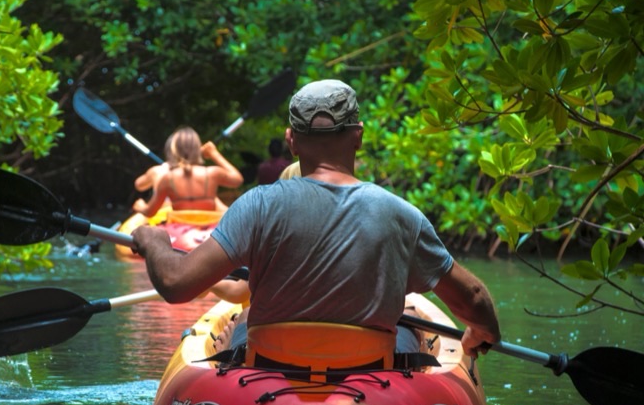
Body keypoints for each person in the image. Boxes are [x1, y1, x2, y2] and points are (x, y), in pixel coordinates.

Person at [131, 79, 501, 359]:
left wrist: (155, 242)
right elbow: (473, 296)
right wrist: (481, 331)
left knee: (241, 324)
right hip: (368, 374)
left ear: (291, 140)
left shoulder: (256, 205)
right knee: (408, 330)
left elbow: (176, 285)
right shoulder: (403, 215)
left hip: (271, 370)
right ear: (358, 137)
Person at [132, 127, 243, 217]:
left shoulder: (167, 178)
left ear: (172, 151)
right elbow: (237, 180)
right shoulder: (211, 173)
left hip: (180, 228)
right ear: (197, 150)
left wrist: (140, 206)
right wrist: (214, 153)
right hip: (209, 227)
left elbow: (150, 212)